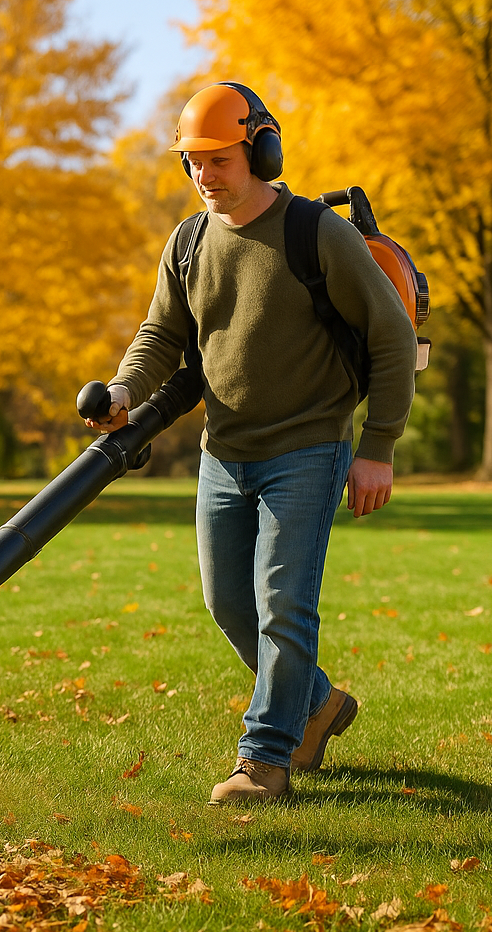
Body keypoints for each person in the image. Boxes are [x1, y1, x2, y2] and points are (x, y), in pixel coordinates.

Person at [85, 82, 416, 805]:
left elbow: (391, 333)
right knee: (226, 602)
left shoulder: (314, 233)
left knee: (281, 604)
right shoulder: (190, 241)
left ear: (261, 150)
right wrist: (123, 390)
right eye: (192, 162)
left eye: (220, 158)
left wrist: (378, 445)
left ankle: (264, 761)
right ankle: (320, 705)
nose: (205, 175)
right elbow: (160, 336)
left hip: (309, 447)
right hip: (224, 452)